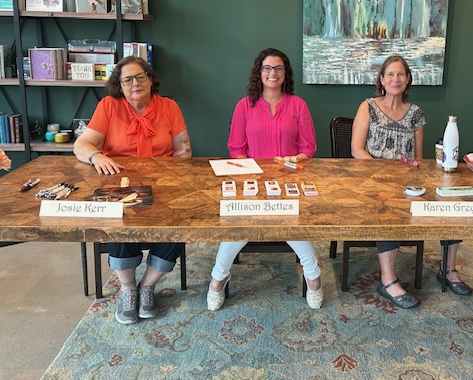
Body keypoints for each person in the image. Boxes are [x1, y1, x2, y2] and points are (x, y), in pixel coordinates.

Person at [73, 56, 192, 325]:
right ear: (120, 85)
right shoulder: (109, 106)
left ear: (150, 79)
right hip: (120, 182)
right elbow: (81, 145)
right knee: (119, 220)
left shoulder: (169, 107)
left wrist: (171, 179)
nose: (135, 83)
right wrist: (96, 156)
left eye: (140, 76)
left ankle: (147, 285)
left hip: (162, 183)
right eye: (127, 80)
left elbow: (183, 151)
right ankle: (127, 288)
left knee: (179, 222)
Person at [351, 55, 472, 309]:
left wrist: (414, 176)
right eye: (390, 74)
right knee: (390, 209)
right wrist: (385, 172)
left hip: (407, 182)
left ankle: (448, 269)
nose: (395, 79)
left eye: (401, 74)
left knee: (452, 199)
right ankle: (388, 280)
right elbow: (356, 150)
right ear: (381, 79)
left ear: (408, 80)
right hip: (373, 181)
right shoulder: (367, 107)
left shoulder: (416, 113)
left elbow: (418, 157)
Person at [208, 48, 323, 311]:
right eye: (267, 68)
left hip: (289, 180)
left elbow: (308, 149)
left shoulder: (298, 105)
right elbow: (236, 149)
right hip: (252, 181)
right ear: (259, 72)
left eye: (279, 68)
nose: (273, 73)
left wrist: (292, 161)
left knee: (293, 222)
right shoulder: (244, 106)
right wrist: (253, 177)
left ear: (285, 73)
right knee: (238, 224)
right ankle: (218, 278)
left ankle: (313, 277)